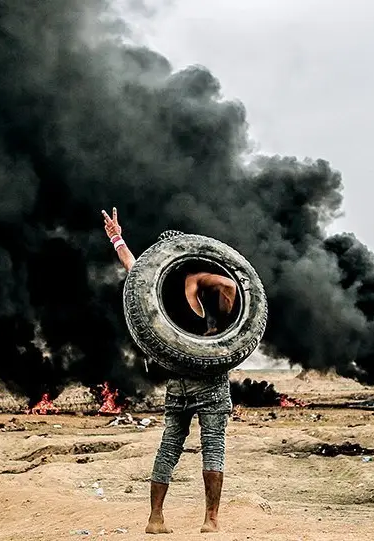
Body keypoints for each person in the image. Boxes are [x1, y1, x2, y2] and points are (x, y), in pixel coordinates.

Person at [101, 207, 236, 534]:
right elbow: (232, 284)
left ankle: (155, 519)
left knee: (169, 448)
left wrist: (116, 237)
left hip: (177, 381)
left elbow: (130, 266)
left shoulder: (152, 289)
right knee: (213, 446)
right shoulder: (193, 279)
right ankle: (211, 520)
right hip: (209, 379)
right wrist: (225, 322)